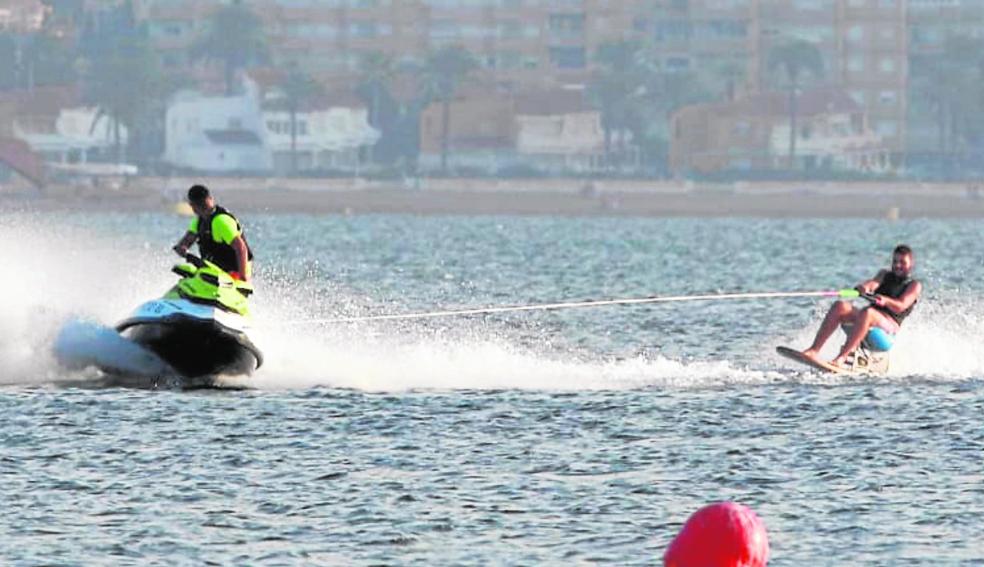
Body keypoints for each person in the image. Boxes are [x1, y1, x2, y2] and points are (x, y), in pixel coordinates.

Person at [802, 244, 921, 367]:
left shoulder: (914, 285)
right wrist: (863, 288)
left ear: (911, 264)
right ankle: (813, 350)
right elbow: (872, 284)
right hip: (869, 320)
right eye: (895, 261)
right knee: (840, 306)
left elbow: (901, 305)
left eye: (902, 262)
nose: (897, 265)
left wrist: (885, 300)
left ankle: (841, 358)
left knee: (868, 312)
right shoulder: (884, 274)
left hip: (887, 332)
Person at [172, 184, 253, 282]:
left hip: (236, 273)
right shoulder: (198, 222)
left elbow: (241, 248)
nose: (202, 208)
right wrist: (182, 249)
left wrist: (243, 278)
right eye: (200, 205)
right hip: (215, 272)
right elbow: (186, 242)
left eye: (203, 205)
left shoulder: (221, 221)